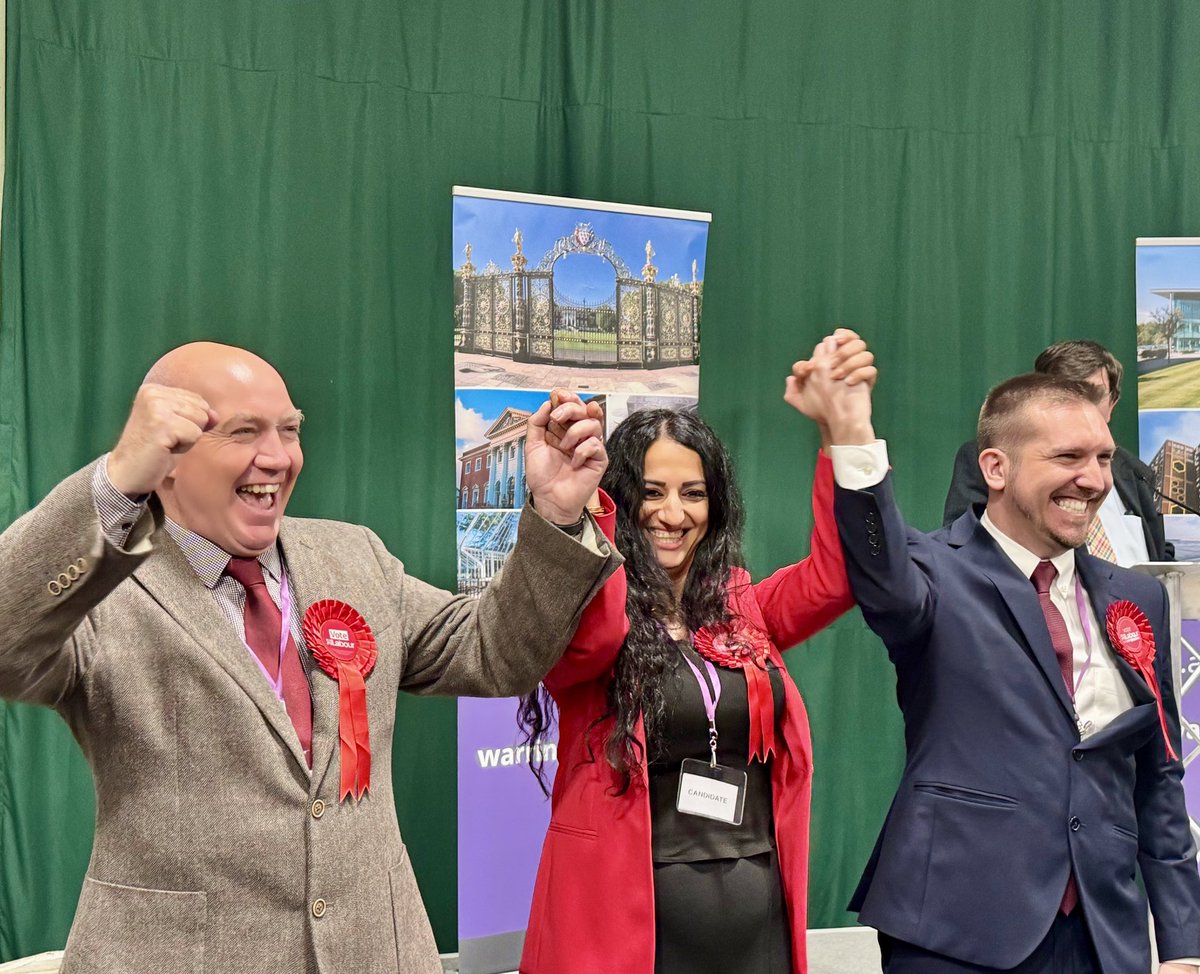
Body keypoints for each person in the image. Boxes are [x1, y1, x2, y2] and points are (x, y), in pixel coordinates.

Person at [0, 341, 620, 974]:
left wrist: (556, 514)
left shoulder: (354, 557)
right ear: (167, 462)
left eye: (289, 430)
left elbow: (495, 654)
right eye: (244, 432)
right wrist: (112, 487)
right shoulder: (97, 588)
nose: (278, 457)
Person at [793, 335, 1200, 973]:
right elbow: (876, 564)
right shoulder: (930, 570)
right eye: (1067, 457)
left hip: (1103, 938)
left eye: (1102, 458)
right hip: (955, 929)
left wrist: (1182, 943)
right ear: (996, 469)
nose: (1092, 480)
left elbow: (1159, 776)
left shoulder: (1137, 598)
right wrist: (851, 434)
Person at [518, 333, 876, 974]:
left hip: (755, 926)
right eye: (652, 492)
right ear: (622, 501)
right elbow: (593, 641)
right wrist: (578, 510)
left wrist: (845, 433)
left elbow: (838, 577)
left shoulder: (740, 604)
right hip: (626, 935)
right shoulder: (583, 613)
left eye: (693, 492)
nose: (673, 513)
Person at [942, 339, 1172, 563]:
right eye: (1067, 394)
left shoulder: (1136, 472)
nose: (1092, 481)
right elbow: (962, 547)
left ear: (1112, 404)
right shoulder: (992, 456)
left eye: (1094, 394)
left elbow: (1160, 551)